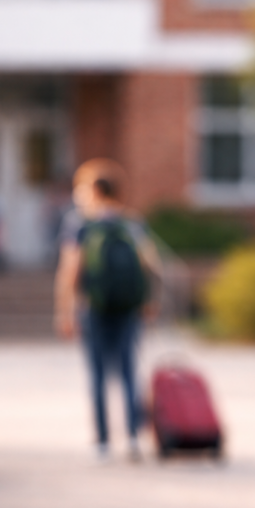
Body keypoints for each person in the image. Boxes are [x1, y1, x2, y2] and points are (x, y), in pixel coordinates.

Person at [54, 159, 160, 462]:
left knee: (98, 373)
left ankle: (102, 441)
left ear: (93, 190)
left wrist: (64, 311)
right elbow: (149, 264)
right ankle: (132, 437)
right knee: (128, 371)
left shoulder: (80, 225)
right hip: (129, 306)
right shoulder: (132, 223)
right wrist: (148, 301)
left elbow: (69, 271)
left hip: (94, 306)